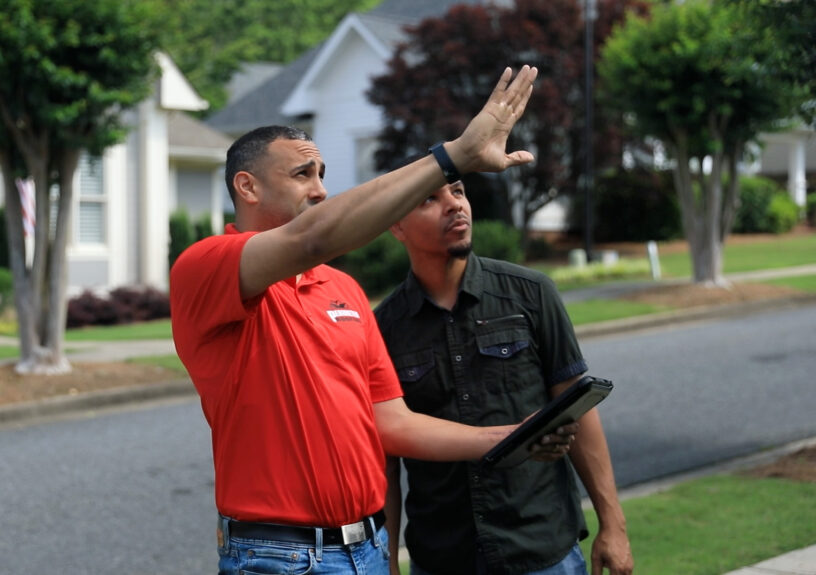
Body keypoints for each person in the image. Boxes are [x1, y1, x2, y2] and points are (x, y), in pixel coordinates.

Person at [169, 66, 578, 575]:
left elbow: (391, 422)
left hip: (366, 547)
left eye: (322, 174)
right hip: (278, 556)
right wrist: (451, 157)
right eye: (302, 175)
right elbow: (314, 237)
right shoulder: (206, 267)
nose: (319, 191)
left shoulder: (343, 290)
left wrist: (513, 437)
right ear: (247, 187)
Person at [373, 176, 634, 575]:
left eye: (458, 192)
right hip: (442, 554)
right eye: (429, 198)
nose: (454, 205)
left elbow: (578, 409)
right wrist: (388, 561)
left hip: (541, 546)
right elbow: (385, 460)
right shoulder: (384, 327)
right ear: (396, 225)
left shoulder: (531, 293)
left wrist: (613, 525)